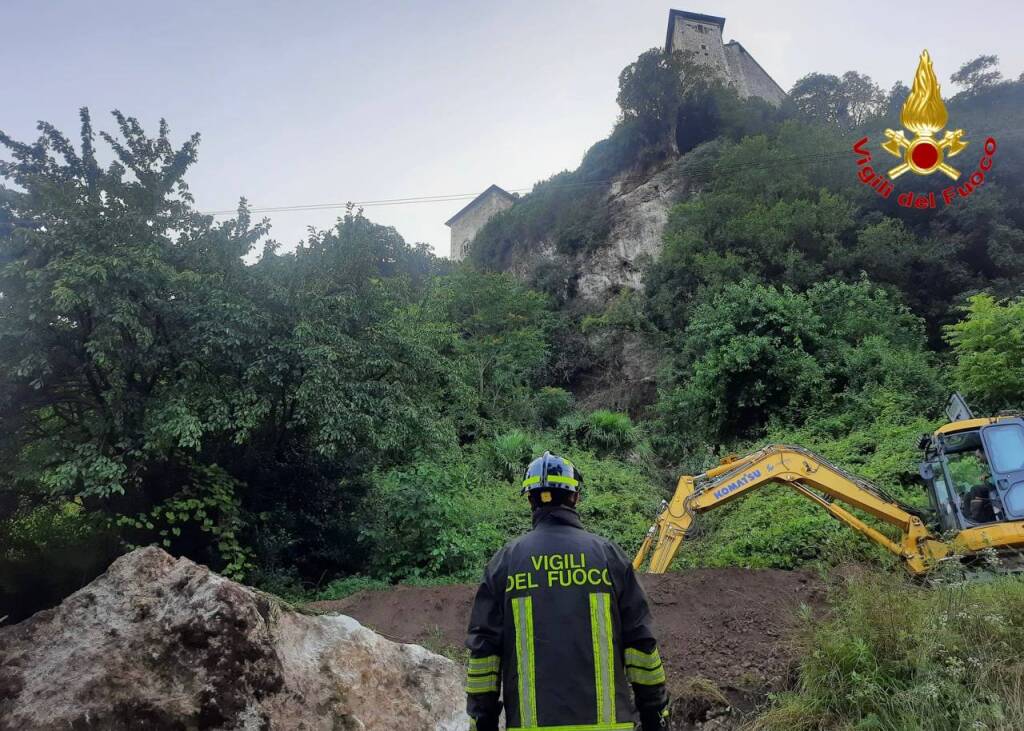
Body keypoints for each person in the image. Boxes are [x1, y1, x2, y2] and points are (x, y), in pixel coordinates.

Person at [464, 451, 670, 731]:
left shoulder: (505, 563)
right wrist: (655, 715)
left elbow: (484, 654)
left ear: (530, 499)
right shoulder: (608, 557)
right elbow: (641, 645)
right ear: (575, 497)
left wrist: (482, 720)